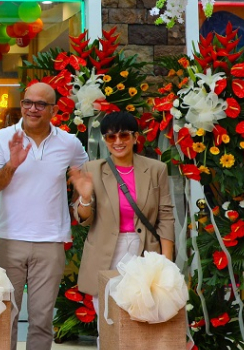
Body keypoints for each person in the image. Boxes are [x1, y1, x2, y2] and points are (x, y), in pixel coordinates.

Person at [0, 82, 87, 350]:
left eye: (40, 104)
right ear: (21, 104)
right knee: (6, 319)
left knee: (42, 319)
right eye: (28, 102)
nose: (33, 109)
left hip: (51, 240)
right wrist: (13, 164)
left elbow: (81, 181)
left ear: (53, 108)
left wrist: (81, 205)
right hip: (9, 238)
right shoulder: (3, 138)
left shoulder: (70, 143)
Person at [69, 111, 176, 301]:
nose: (118, 141)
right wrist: (85, 197)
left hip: (143, 249)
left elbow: (165, 215)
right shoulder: (93, 169)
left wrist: (166, 262)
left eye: (124, 135)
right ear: (105, 140)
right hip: (104, 250)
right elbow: (84, 219)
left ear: (135, 138)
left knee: (141, 310)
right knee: (106, 314)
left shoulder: (156, 169)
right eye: (111, 136)